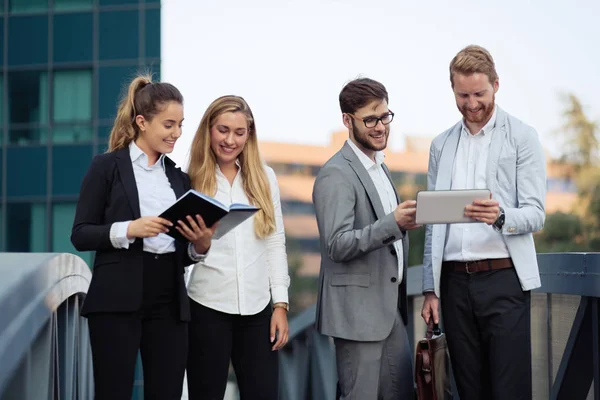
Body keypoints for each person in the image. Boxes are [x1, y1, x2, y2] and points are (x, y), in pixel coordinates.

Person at [71, 75, 215, 400]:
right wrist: (128, 229)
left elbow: (183, 250)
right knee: (114, 392)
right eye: (168, 125)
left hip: (169, 297)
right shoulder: (106, 167)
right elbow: (80, 234)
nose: (176, 133)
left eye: (180, 124)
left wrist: (200, 246)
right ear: (142, 122)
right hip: (116, 296)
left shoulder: (180, 180)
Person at [421, 45, 547, 400]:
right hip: (454, 285)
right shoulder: (441, 145)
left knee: (509, 390)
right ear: (453, 90)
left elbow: (536, 212)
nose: (471, 103)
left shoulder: (523, 137)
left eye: (479, 93)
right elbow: (434, 223)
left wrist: (502, 215)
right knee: (469, 390)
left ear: (496, 85)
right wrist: (431, 288)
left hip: (504, 281)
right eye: (463, 95)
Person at [312, 78, 418, 399]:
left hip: (391, 311)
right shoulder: (337, 173)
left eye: (385, 117)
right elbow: (336, 244)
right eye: (370, 119)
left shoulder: (381, 168)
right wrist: (393, 223)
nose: (380, 126)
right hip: (357, 316)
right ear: (347, 120)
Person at [185, 95, 290, 400]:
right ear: (209, 130)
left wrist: (280, 305)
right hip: (206, 307)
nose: (230, 140)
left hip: (258, 310)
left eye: (239, 132)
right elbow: (181, 254)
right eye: (223, 130)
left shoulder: (264, 178)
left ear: (249, 134)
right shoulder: (189, 179)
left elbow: (274, 242)